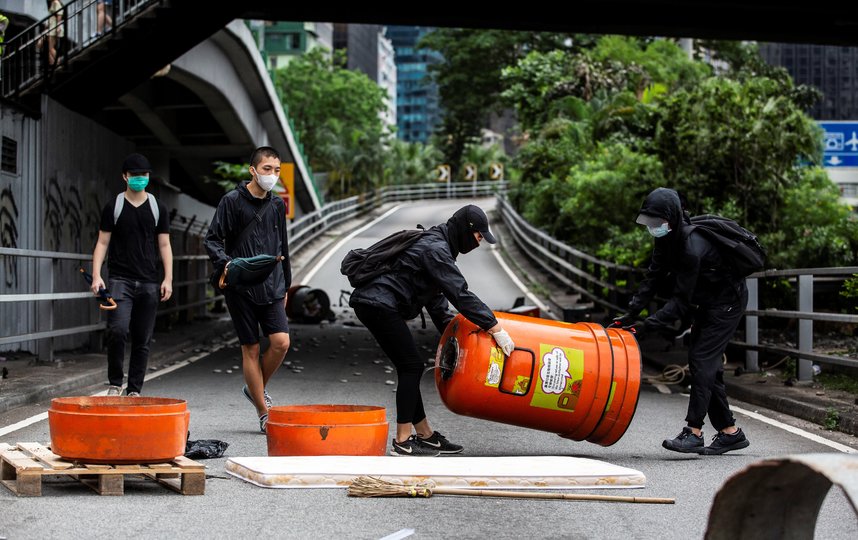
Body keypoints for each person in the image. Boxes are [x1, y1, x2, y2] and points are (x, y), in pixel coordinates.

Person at [349, 204, 516, 456]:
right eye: (478, 236)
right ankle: (403, 441)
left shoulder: (440, 245)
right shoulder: (437, 250)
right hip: (378, 304)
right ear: (465, 230)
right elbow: (459, 293)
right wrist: (494, 327)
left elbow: (438, 306)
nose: (479, 243)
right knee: (411, 366)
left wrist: (459, 339)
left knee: (409, 366)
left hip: (376, 303)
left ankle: (425, 435)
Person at [614, 187, 750, 455]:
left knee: (701, 361)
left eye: (658, 222)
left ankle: (693, 432)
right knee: (708, 365)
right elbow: (652, 278)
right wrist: (629, 314)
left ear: (673, 219)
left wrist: (643, 328)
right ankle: (729, 432)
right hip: (708, 301)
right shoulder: (666, 240)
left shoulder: (690, 246)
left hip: (727, 303)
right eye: (649, 222)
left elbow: (678, 304)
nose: (653, 228)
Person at [204, 146, 291, 434]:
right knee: (251, 348)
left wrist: (287, 283)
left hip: (272, 284)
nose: (272, 175)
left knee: (281, 342)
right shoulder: (231, 201)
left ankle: (254, 388)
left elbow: (283, 246)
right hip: (240, 285)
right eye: (267, 169)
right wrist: (226, 264)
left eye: (276, 170)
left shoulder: (277, 205)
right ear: (252, 170)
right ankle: (264, 413)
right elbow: (213, 239)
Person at [91, 153, 173, 397]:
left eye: (144, 175)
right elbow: (102, 242)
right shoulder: (113, 207)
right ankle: (115, 383)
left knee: (142, 337)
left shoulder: (158, 207)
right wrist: (96, 275)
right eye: (135, 175)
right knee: (117, 330)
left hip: (149, 281)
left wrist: (168, 278)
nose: (140, 179)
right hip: (119, 280)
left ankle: (134, 389)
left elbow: (165, 245)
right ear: (125, 177)